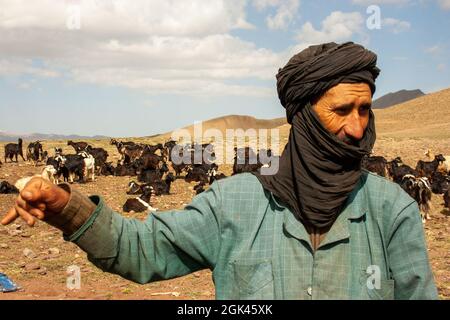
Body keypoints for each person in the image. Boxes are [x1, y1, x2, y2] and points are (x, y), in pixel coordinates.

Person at [1, 42, 438, 299]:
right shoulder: (236, 203)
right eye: (341, 110)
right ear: (302, 116)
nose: (358, 127)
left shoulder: (391, 212)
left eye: (365, 110)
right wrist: (65, 206)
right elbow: (140, 249)